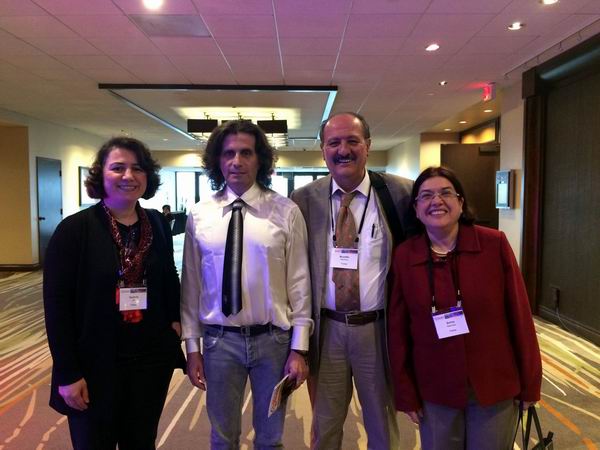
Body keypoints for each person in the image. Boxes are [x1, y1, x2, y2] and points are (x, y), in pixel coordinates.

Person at [43, 137, 185, 449]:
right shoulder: (75, 230)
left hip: (149, 361)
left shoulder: (157, 223)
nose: (128, 176)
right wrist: (67, 372)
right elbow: (57, 306)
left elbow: (168, 276)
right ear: (100, 174)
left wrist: (174, 320)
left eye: (137, 168)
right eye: (118, 168)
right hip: (94, 362)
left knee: (141, 441)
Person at [387, 166, 542, 450]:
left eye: (446, 193)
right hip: (435, 388)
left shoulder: (493, 244)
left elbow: (520, 317)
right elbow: (398, 332)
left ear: (460, 202)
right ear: (416, 209)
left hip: (494, 384)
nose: (436, 201)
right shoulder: (405, 256)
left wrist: (531, 382)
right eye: (426, 196)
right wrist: (405, 392)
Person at [181, 120, 313, 449]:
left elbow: (300, 284)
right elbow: (191, 287)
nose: (236, 161)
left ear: (260, 160)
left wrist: (299, 348)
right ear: (217, 160)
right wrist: (192, 348)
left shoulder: (286, 212)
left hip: (273, 342)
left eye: (246, 153)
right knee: (223, 437)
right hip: (219, 342)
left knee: (270, 437)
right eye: (228, 153)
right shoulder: (200, 215)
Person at [290, 112, 413, 450]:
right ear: (323, 150)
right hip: (327, 329)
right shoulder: (303, 200)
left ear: (368, 146)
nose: (343, 150)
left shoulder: (400, 193)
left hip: (377, 328)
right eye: (334, 143)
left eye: (352, 141)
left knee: (381, 425)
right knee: (325, 425)